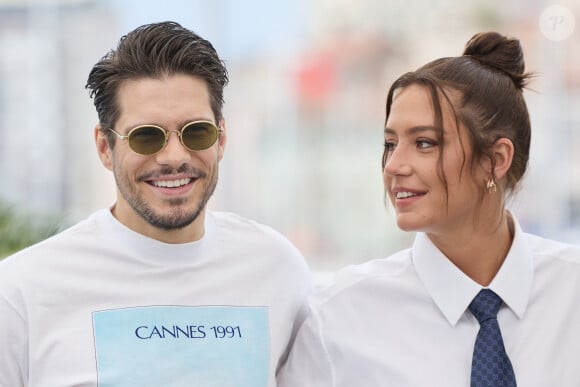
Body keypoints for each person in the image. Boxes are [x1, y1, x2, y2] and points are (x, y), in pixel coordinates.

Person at [0, 21, 312, 387]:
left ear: (222, 138)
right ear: (104, 146)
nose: (174, 156)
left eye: (197, 131)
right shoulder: (22, 291)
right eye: (147, 137)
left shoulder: (276, 268)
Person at [278, 31, 580, 386]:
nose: (394, 165)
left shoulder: (571, 293)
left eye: (424, 143)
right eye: (391, 143)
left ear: (496, 159)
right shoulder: (338, 317)